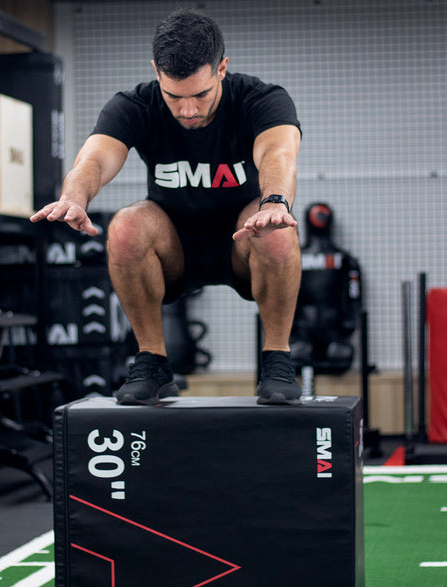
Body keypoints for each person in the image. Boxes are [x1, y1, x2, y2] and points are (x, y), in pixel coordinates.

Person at [30, 9, 303, 406]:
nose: (188, 110)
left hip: (244, 238)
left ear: (222, 68)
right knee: (124, 226)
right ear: (156, 72)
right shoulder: (135, 105)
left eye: (200, 95)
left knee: (279, 231)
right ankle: (153, 363)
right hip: (173, 246)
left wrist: (275, 200)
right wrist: (74, 196)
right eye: (174, 96)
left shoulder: (261, 99)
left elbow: (279, 153)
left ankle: (277, 360)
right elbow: (93, 160)